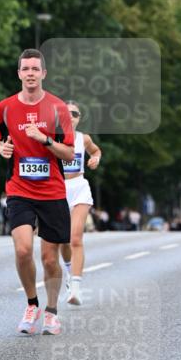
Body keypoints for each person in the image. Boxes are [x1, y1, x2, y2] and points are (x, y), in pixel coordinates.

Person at [0, 48, 74, 336]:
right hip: (19, 188)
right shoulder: (6, 107)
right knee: (23, 249)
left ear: (43, 74)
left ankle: (51, 312)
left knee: (50, 258)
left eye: (35, 69)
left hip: (51, 191)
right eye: (25, 69)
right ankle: (31, 303)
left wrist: (45, 139)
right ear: (19, 74)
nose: (30, 74)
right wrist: (1, 148)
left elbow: (68, 152)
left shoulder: (58, 108)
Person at [58, 101, 102, 305]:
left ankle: (75, 288)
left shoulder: (83, 139)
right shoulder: (52, 138)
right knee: (63, 241)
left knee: (76, 238)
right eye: (66, 113)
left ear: (78, 118)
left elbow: (96, 151)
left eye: (74, 114)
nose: (70, 116)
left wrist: (95, 159)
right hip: (57, 190)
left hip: (79, 188)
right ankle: (69, 270)